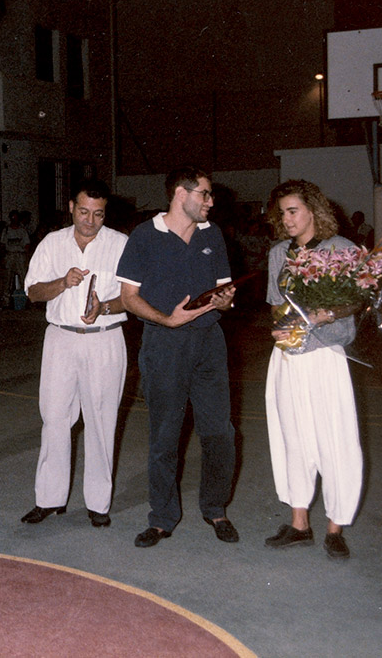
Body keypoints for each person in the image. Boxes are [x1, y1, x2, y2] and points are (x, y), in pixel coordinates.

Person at [116, 166, 239, 548]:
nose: (211, 201)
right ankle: (162, 518)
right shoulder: (144, 236)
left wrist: (225, 300)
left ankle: (215, 509)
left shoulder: (212, 234)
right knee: (165, 436)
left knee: (219, 432)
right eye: (204, 194)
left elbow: (224, 291)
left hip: (209, 342)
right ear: (180, 195)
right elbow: (128, 297)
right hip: (164, 344)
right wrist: (166, 319)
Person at [20, 180, 128, 529]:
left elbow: (133, 297)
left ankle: (98, 503)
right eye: (83, 212)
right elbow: (33, 292)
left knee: (101, 421)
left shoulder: (121, 244)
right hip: (61, 339)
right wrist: (62, 283)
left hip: (105, 339)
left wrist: (105, 307)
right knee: (54, 419)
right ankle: (49, 499)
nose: (90, 221)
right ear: (70, 207)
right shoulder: (52, 243)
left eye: (98, 214)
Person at [264, 180, 363, 561]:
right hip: (288, 357)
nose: (287, 219)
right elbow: (276, 305)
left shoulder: (341, 249)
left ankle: (336, 528)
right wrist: (281, 325)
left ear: (313, 211)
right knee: (292, 438)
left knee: (336, 440)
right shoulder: (278, 253)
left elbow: (358, 300)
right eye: (282, 213)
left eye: (293, 211)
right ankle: (299, 524)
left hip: (325, 356)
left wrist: (327, 313)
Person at [0, 210, 30, 305]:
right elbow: (3, 244)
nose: (14, 220)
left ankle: (27, 298)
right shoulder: (6, 230)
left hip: (20, 255)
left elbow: (27, 244)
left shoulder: (22, 230)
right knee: (7, 278)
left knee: (23, 277)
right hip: (9, 255)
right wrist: (3, 258)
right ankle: (6, 300)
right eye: (13, 218)